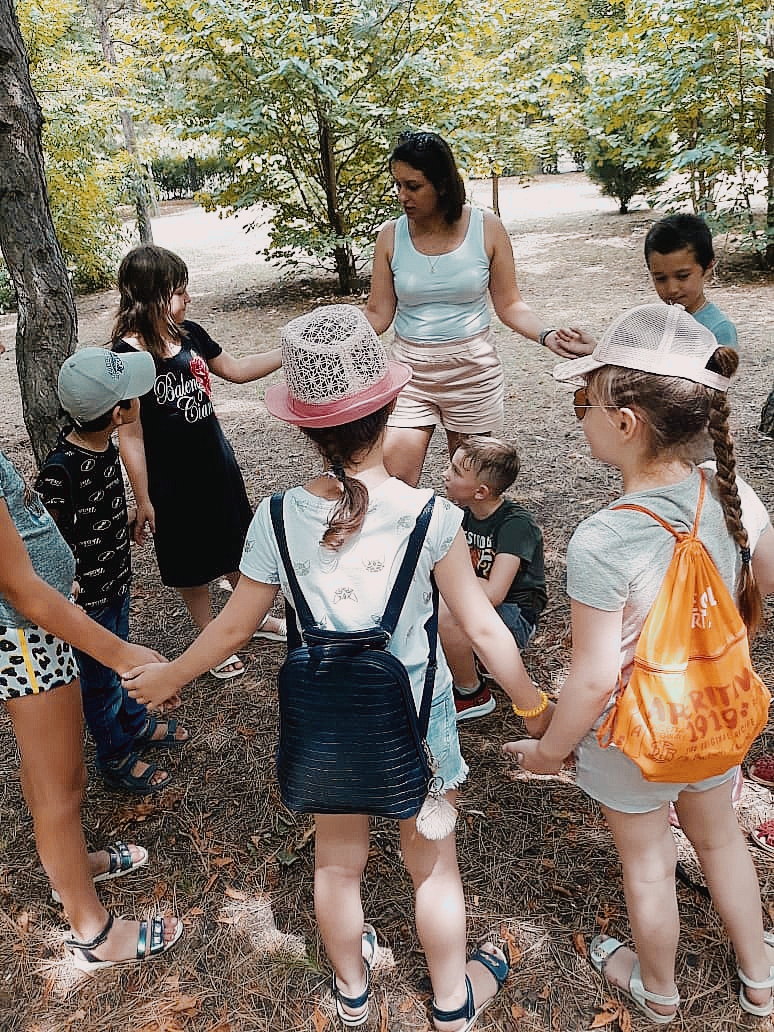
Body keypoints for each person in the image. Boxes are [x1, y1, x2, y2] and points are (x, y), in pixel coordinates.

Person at [123, 304, 553, 1031]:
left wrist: (171, 675)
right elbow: (483, 626)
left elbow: (233, 626)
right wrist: (531, 704)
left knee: (336, 861)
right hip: (416, 715)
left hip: (326, 716)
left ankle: (352, 992)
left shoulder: (276, 517)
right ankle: (452, 1002)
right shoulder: (432, 516)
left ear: (304, 427)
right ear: (388, 412)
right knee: (433, 864)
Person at [507, 303, 774, 1021]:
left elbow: (596, 677)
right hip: (715, 717)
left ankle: (659, 993)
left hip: (632, 741)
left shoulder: (603, 539)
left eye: (583, 403)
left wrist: (549, 752)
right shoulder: (731, 492)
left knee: (649, 867)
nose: (580, 416)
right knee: (722, 842)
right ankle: (759, 978)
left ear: (624, 422)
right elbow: (768, 578)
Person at [0, 442, 182, 968]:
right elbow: (20, 588)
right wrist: (121, 654)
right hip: (26, 639)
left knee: (57, 776)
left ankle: (73, 866)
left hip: (39, 628)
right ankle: (92, 930)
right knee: (59, 789)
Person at [364, 130, 594, 487]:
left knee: (468, 485)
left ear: (442, 184)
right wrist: (332, 335)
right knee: (393, 483)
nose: (402, 195)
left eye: (413, 186)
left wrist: (547, 336)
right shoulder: (390, 236)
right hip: (410, 374)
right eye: (397, 185)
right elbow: (377, 314)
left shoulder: (486, 227)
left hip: (472, 374)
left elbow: (510, 304)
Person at [111, 244, 286, 682]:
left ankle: (249, 620)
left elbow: (238, 369)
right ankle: (210, 636)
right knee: (189, 560)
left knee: (236, 542)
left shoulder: (190, 334)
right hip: (171, 481)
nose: (187, 298)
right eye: (178, 291)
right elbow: (130, 435)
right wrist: (143, 498)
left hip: (215, 463)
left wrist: (289, 352)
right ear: (150, 294)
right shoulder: (127, 357)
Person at [36, 347, 189, 794]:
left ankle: (134, 723)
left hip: (116, 582)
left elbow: (93, 511)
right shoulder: (59, 469)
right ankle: (116, 755)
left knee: (123, 663)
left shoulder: (103, 445)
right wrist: (63, 585)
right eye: (131, 395)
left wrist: (127, 517)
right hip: (87, 603)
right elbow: (47, 537)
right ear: (119, 412)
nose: (138, 398)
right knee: (101, 682)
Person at [440, 436, 546, 722]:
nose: (445, 474)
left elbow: (495, 593)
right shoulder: (462, 516)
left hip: (515, 616)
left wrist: (448, 577)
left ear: (481, 492)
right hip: (484, 606)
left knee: (446, 612)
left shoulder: (515, 525)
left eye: (455, 471)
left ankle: (471, 693)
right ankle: (476, 658)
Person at [644, 213, 738, 348]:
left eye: (683, 276)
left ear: (708, 267)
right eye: (660, 278)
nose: (672, 289)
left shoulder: (719, 330)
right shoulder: (654, 325)